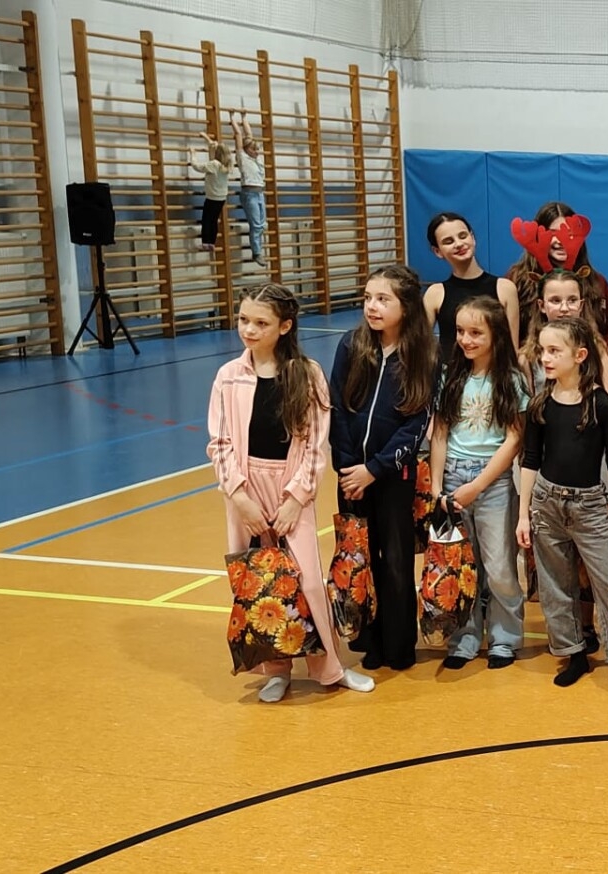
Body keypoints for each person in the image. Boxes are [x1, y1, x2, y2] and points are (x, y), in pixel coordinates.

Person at [209, 283, 372, 701]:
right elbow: (220, 443)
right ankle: (276, 669)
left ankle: (330, 668)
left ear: (284, 326)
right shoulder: (228, 377)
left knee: (308, 583)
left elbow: (315, 445)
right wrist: (240, 498)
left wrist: (295, 499)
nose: (249, 329)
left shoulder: (307, 374)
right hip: (245, 490)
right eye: (244, 320)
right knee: (259, 582)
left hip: (289, 489)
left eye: (260, 323)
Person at [517, 317, 608, 687]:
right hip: (546, 503)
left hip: (589, 506)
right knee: (555, 585)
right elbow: (530, 460)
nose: (545, 358)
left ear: (580, 355)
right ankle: (574, 653)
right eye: (543, 351)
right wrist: (523, 515)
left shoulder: (603, 405)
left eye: (555, 351)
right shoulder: (540, 404)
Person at [330, 265, 436, 672]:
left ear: (405, 307)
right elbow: (337, 407)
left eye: (382, 299)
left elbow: (416, 422)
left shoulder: (423, 355)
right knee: (360, 558)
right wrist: (348, 467)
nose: (372, 307)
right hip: (351, 478)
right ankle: (368, 638)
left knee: (394, 560)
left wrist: (374, 469)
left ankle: (399, 644)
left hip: (392, 477)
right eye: (368, 298)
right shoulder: (352, 345)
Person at [431, 297, 531, 671]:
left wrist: (478, 485)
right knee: (462, 564)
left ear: (496, 335)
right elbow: (440, 434)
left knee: (500, 565)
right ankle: (465, 637)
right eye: (460, 331)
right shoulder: (450, 377)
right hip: (453, 479)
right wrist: (437, 487)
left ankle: (504, 638)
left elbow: (514, 439)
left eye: (476, 332)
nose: (465, 339)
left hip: (493, 482)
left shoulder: (511, 380)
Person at [507, 202, 608, 357]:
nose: (560, 240)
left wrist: (599, 359)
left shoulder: (596, 282)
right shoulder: (517, 281)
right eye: (552, 234)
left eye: (569, 233)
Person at [422, 212, 521, 355]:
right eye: (449, 241)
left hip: (495, 368)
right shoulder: (435, 294)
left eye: (463, 236)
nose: (459, 244)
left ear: (472, 238)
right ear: (437, 251)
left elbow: (513, 351)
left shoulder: (505, 288)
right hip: (450, 368)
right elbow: (421, 347)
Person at [229, 113, 267, 267]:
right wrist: (232, 117)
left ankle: (258, 250)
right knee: (256, 225)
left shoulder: (257, 158)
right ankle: (256, 253)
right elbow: (239, 135)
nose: (257, 152)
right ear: (246, 150)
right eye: (254, 149)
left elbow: (249, 134)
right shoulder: (242, 158)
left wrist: (244, 117)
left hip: (260, 193)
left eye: (257, 149)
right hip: (249, 194)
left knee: (262, 225)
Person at [188, 132, 233, 254]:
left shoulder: (213, 164)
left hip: (212, 198)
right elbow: (214, 145)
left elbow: (196, 166)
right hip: (221, 198)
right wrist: (205, 137)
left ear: (216, 153)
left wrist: (193, 154)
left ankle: (205, 243)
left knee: (206, 220)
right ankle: (211, 243)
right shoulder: (227, 164)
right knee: (213, 221)